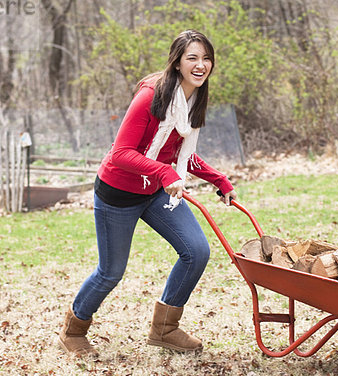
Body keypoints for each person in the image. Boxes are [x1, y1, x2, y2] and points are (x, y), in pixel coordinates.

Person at [57, 30, 237, 357]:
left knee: (196, 251)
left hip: (155, 192)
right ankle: (74, 329)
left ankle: (164, 329)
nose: (201, 65)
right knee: (110, 272)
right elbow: (121, 153)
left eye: (206, 58)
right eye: (192, 58)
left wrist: (217, 178)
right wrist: (165, 172)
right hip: (119, 193)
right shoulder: (151, 97)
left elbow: (177, 154)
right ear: (177, 62)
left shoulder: (193, 97)